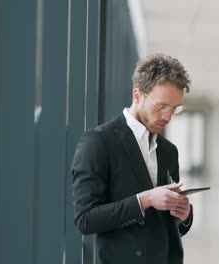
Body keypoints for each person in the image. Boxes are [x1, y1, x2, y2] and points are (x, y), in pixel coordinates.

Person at [72, 54, 193, 264]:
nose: (168, 116)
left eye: (174, 108)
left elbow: (168, 226)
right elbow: (86, 219)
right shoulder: (98, 142)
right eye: (162, 106)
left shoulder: (168, 151)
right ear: (137, 95)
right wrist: (145, 200)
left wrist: (184, 214)